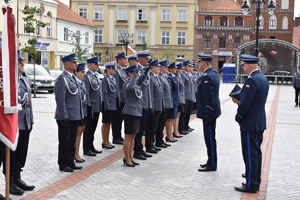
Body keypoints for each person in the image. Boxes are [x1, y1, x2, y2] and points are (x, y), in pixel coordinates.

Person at [232, 54, 269, 193]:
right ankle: (255, 180)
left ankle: (251, 184)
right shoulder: (263, 78)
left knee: (250, 154)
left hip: (250, 123)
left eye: (244, 65)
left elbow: (245, 104)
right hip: (258, 122)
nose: (243, 67)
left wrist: (238, 116)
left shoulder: (251, 80)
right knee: (256, 153)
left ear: (248, 65)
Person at [4, 53, 35, 195]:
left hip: (25, 122)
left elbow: (29, 103)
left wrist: (31, 120)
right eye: (20, 62)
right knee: (12, 154)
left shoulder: (24, 80)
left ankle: (18, 177)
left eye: (23, 62)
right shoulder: (8, 81)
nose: (23, 64)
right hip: (14, 124)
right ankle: (10, 181)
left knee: (22, 152)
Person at [55, 53, 84, 173]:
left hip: (75, 115)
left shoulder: (72, 78)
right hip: (66, 116)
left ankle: (70, 161)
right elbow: (60, 99)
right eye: (73, 62)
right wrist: (63, 116)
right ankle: (63, 163)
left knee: (72, 140)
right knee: (64, 141)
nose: (76, 64)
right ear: (67, 64)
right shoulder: (62, 79)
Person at [197, 53, 221, 172]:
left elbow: (209, 96)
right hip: (210, 111)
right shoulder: (213, 73)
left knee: (210, 138)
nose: (198, 64)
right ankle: (210, 160)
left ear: (203, 62)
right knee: (210, 137)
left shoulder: (207, 76)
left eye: (199, 62)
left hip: (208, 113)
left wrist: (209, 112)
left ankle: (212, 164)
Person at [122, 64, 146, 167]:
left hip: (137, 112)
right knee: (128, 137)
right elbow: (130, 87)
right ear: (129, 74)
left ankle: (131, 157)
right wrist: (134, 76)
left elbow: (141, 80)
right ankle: (126, 158)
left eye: (135, 73)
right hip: (129, 112)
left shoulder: (136, 83)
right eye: (133, 73)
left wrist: (146, 72)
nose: (136, 75)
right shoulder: (127, 83)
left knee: (133, 136)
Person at [133, 50, 153, 160]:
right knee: (139, 129)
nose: (147, 60)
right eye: (146, 58)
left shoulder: (146, 70)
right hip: (140, 104)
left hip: (146, 103)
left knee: (143, 129)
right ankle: (137, 151)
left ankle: (140, 149)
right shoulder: (137, 70)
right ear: (140, 58)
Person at [82, 56, 103, 156]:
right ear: (89, 65)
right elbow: (86, 93)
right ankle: (86, 148)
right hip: (91, 107)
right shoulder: (87, 77)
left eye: (97, 64)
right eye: (95, 64)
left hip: (97, 106)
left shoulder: (95, 76)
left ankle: (91, 146)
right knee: (88, 128)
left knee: (93, 128)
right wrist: (89, 106)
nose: (97, 65)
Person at [145, 59, 163, 154]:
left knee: (154, 126)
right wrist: (151, 106)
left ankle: (152, 144)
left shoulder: (156, 77)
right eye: (157, 66)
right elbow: (150, 93)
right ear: (151, 68)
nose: (159, 68)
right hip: (154, 106)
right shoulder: (151, 77)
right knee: (150, 127)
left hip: (158, 106)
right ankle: (149, 145)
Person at [74, 63, 90, 163]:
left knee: (80, 133)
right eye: (82, 72)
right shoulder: (75, 82)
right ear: (76, 72)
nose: (83, 74)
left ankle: (77, 153)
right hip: (78, 111)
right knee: (77, 133)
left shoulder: (82, 83)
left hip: (84, 110)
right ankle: (76, 154)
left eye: (84, 72)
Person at [155, 60, 172, 148]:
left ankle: (160, 140)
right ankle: (158, 141)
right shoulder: (160, 77)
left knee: (162, 124)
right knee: (160, 124)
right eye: (165, 67)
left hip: (166, 103)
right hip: (163, 103)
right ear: (161, 67)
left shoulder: (164, 77)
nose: (167, 68)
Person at [101, 61, 118, 149]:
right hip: (108, 105)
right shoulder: (105, 79)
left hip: (113, 105)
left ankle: (107, 140)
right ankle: (104, 141)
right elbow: (104, 94)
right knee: (105, 123)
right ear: (107, 69)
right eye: (112, 68)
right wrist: (106, 106)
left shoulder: (113, 78)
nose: (114, 70)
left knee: (109, 123)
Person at [112, 52, 127, 145]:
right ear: (119, 60)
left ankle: (119, 135)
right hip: (119, 99)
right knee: (116, 119)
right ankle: (115, 137)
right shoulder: (117, 71)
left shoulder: (123, 70)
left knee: (120, 119)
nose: (126, 61)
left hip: (124, 98)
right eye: (124, 59)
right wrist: (118, 98)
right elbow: (116, 86)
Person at [165, 62, 179, 143]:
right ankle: (168, 135)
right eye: (174, 68)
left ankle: (170, 135)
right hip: (172, 101)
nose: (175, 69)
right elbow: (170, 91)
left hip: (175, 100)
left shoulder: (174, 77)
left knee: (172, 118)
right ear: (170, 69)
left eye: (176, 68)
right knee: (169, 119)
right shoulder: (170, 78)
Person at [174, 62, 185, 138]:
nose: (182, 70)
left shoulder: (179, 77)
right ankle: (175, 131)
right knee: (176, 116)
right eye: (181, 69)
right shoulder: (176, 78)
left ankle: (177, 130)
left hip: (181, 99)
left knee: (178, 116)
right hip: (179, 99)